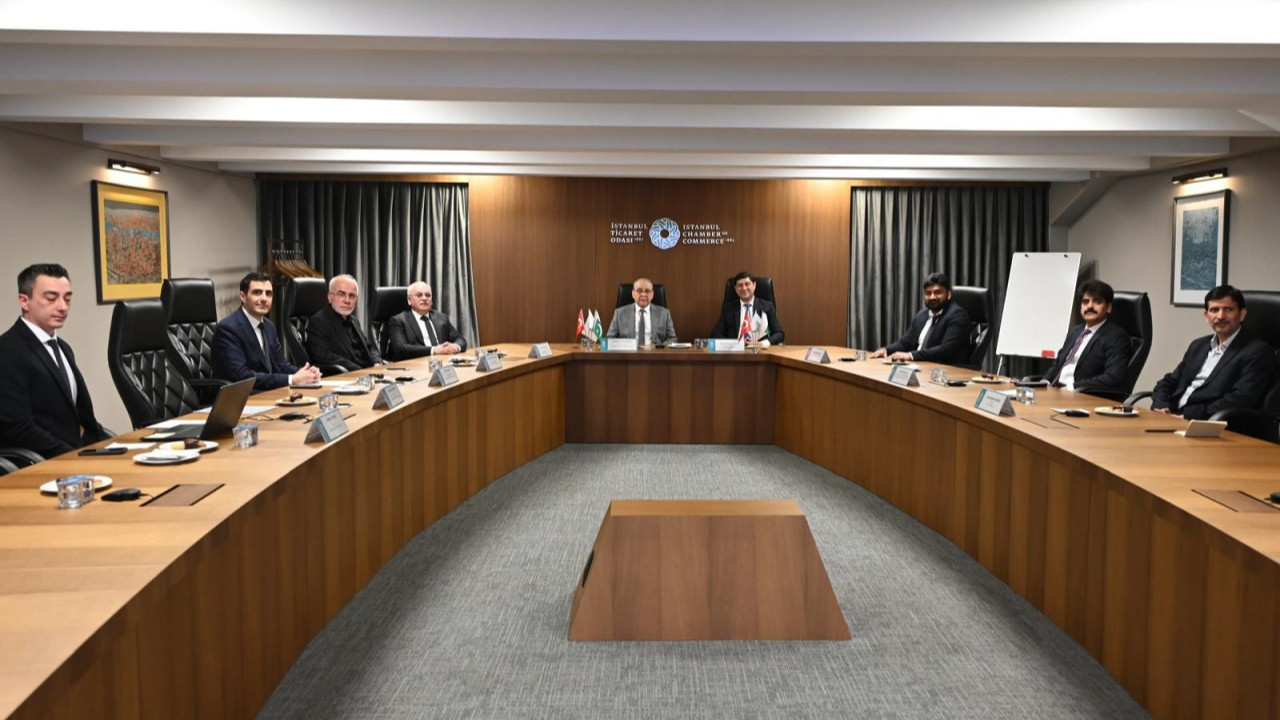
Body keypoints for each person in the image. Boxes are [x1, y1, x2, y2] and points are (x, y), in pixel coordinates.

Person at [0, 263, 109, 459]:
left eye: (67, 299)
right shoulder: (8, 350)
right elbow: (18, 428)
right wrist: (73, 456)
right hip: (40, 463)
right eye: (51, 298)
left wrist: (113, 447)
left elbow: (83, 416)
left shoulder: (62, 347)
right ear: (24, 301)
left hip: (75, 457)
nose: (62, 307)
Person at [1152, 285, 1276, 419]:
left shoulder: (1258, 352)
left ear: (1242, 314)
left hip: (1210, 423)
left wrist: (1188, 416)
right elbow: (1169, 381)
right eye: (1214, 310)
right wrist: (1161, 405)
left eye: (1228, 309)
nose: (1220, 316)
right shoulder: (1198, 345)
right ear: (1207, 316)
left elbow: (1240, 398)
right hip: (1173, 415)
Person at [212, 272, 321, 391]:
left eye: (268, 294)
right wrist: (291, 379)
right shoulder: (228, 329)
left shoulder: (269, 326)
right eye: (257, 292)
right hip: (241, 396)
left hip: (267, 392)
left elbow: (281, 365)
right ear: (243, 296)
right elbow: (242, 376)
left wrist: (305, 373)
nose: (264, 299)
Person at [1042, 280, 1132, 396]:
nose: (1089, 306)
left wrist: (1073, 387)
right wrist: (1044, 382)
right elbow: (1058, 363)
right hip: (1056, 391)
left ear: (1108, 307)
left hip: (1080, 395)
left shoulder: (1116, 336)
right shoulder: (1075, 331)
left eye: (1097, 301)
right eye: (1085, 302)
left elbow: (1113, 377)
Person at [871, 272, 970, 364]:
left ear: (948, 294)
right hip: (918, 366)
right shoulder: (922, 315)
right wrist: (886, 350)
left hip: (944, 370)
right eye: (928, 293)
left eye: (937, 292)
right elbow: (904, 342)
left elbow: (945, 349)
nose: (932, 297)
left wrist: (911, 355)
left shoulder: (958, 315)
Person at [306, 274, 383, 370]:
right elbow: (324, 356)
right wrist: (360, 370)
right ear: (330, 297)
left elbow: (369, 348)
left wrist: (377, 362)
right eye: (341, 294)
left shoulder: (354, 320)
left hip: (367, 373)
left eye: (352, 296)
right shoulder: (319, 322)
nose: (347, 300)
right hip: (345, 374)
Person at [386, 281, 468, 360]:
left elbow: (460, 339)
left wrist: (455, 346)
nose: (424, 298)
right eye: (419, 295)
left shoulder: (441, 318)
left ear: (431, 300)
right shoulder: (398, 321)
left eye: (428, 295)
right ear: (409, 300)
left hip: (442, 361)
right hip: (415, 364)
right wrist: (434, 350)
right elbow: (400, 349)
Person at [710, 271, 784, 346]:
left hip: (759, 349)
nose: (744, 288)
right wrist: (734, 344)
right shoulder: (728, 309)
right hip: (735, 350)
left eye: (747, 284)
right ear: (735, 289)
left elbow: (779, 334)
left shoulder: (767, 307)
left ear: (754, 285)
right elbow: (715, 334)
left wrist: (763, 343)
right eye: (740, 285)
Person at [606, 277, 676, 346]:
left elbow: (672, 338)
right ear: (633, 293)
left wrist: (656, 348)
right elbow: (609, 338)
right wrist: (625, 346)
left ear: (652, 294)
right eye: (639, 291)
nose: (643, 294)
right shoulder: (619, 313)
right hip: (628, 352)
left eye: (647, 291)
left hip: (655, 352)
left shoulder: (664, 313)